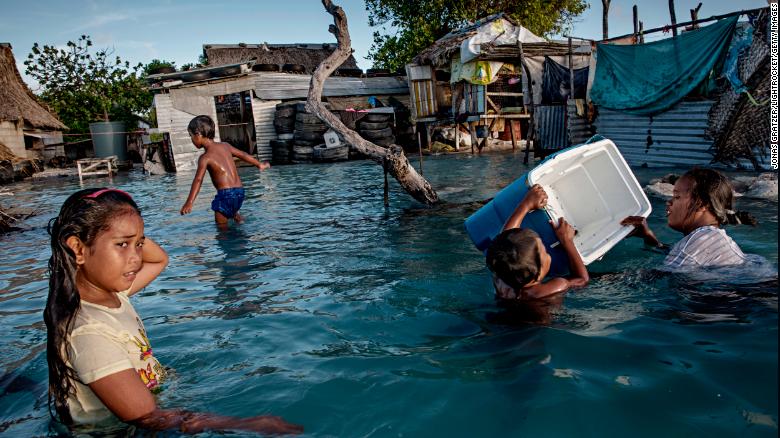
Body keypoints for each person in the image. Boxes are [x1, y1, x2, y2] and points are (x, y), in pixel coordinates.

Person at [45, 187, 302, 434]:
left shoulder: (114, 295)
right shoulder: (90, 334)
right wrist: (246, 424)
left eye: (139, 244)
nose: (136, 257)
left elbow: (159, 259)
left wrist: (129, 231)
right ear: (78, 249)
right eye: (122, 245)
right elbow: (147, 417)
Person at [622, 168, 756, 270]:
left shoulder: (699, 241)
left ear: (701, 204)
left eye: (677, 197)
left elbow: (654, 277)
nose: (668, 202)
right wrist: (649, 237)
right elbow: (680, 256)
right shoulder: (708, 238)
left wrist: (602, 278)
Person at [486, 184, 589, 300]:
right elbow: (582, 279)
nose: (548, 252)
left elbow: (505, 240)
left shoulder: (502, 276)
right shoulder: (554, 288)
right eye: (545, 251)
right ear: (539, 272)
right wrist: (567, 241)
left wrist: (526, 204)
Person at [179, 115, 270, 228]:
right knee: (232, 212)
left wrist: (189, 202)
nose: (191, 140)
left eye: (191, 136)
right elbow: (243, 154)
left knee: (222, 229)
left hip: (226, 194)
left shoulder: (205, 157)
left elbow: (198, 180)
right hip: (240, 192)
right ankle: (239, 220)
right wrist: (259, 164)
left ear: (198, 135)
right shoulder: (225, 145)